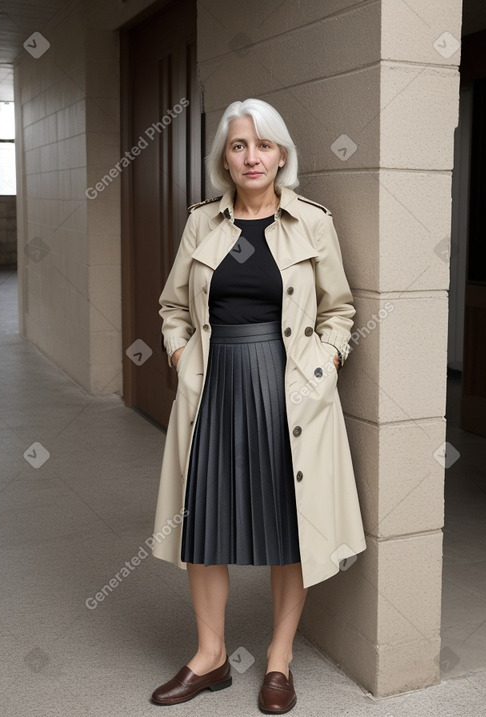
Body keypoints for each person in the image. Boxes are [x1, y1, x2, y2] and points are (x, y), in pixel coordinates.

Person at [150, 98, 366, 713]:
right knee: (205, 524)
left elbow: (339, 310)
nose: (252, 157)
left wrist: (321, 369)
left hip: (289, 389)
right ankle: (210, 656)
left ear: (282, 155)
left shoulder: (312, 223)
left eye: (263, 145)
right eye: (239, 145)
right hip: (214, 386)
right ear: (225, 156)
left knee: (288, 528)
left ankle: (278, 660)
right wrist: (179, 357)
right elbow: (172, 307)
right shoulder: (202, 223)